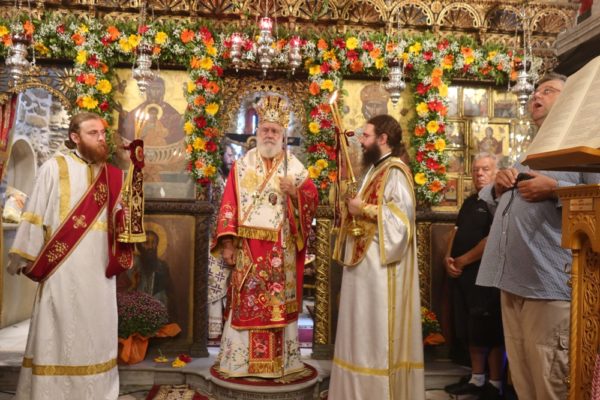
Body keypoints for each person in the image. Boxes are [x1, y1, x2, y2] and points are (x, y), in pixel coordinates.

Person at [476, 72, 600, 400]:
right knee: (523, 381)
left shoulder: (585, 144)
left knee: (551, 380)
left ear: (571, 99)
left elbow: (597, 197)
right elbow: (502, 204)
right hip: (514, 281)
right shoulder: (535, 148)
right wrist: (498, 185)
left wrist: (555, 188)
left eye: (548, 90)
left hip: (550, 285)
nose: (536, 96)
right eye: (536, 91)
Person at [6, 112, 133, 399]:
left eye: (103, 133)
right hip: (63, 269)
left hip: (99, 270)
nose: (101, 138)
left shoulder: (110, 175)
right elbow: (35, 213)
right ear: (75, 137)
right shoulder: (54, 168)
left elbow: (117, 221)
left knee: (96, 330)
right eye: (93, 133)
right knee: (58, 330)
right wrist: (25, 256)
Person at [211, 95, 318, 378]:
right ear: (257, 132)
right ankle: (240, 362)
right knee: (246, 304)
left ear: (283, 136)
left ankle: (282, 364)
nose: (269, 135)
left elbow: (312, 198)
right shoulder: (242, 166)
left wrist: (295, 193)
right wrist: (228, 244)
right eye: (265, 130)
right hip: (248, 250)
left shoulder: (294, 167)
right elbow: (229, 205)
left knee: (277, 307)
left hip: (281, 252)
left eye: (275, 131)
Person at [329, 114, 424, 400]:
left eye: (367, 135)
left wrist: (363, 209)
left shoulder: (395, 172)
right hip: (363, 267)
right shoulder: (374, 169)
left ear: (383, 139)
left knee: (374, 334)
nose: (362, 140)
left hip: (381, 272)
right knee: (358, 331)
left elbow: (401, 221)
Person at [443, 153, 504, 400]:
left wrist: (462, 260)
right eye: (476, 169)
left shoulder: (497, 202)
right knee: (471, 328)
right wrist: (448, 258)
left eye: (485, 169)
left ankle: (495, 382)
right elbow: (455, 231)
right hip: (464, 276)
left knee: (490, 330)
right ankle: (477, 379)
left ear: (496, 172)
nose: (479, 173)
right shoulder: (470, 201)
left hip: (485, 277)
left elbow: (491, 240)